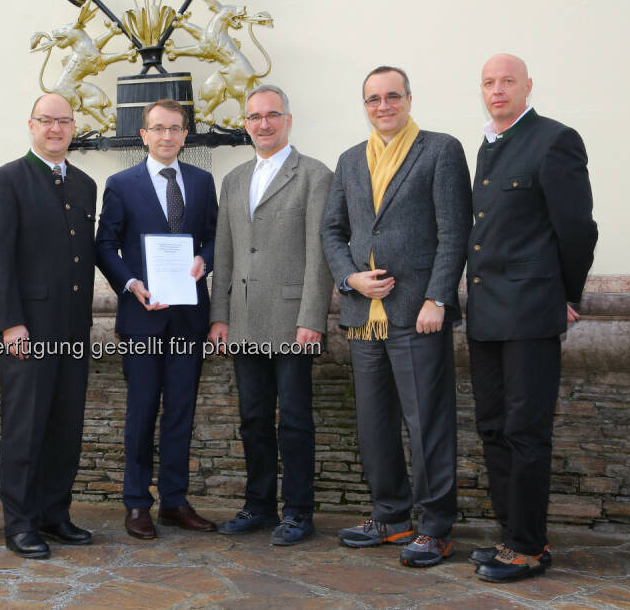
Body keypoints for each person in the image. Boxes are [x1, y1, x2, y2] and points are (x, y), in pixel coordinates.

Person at [320, 66, 472, 567]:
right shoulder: (348, 160)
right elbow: (333, 232)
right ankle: (389, 515)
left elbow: (453, 231)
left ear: (409, 98)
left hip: (417, 312)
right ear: (364, 105)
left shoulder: (440, 149)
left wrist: (438, 298)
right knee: (375, 423)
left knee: (427, 423)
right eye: (373, 99)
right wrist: (349, 280)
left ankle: (434, 526)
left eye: (392, 96)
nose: (383, 106)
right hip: (365, 314)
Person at [467, 54, 597, 583]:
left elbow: (578, 229)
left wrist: (567, 294)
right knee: (494, 428)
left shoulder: (554, 139)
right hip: (487, 312)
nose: (498, 90)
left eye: (508, 82)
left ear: (527, 86)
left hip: (530, 312)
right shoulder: (489, 145)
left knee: (525, 430)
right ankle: (512, 535)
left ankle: (527, 547)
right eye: (489, 83)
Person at [208, 85, 333, 546]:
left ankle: (298, 511)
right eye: (255, 117)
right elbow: (225, 249)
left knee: (295, 420)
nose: (264, 124)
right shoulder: (234, 179)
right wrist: (219, 314)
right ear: (246, 123)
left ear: (288, 120)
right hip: (242, 319)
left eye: (272, 115)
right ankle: (258, 505)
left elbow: (318, 255)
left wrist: (312, 317)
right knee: (253, 418)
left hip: (292, 319)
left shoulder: (315, 176)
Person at [0, 93, 97, 559]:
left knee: (65, 426)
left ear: (73, 128)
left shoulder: (86, 184)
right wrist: (10, 324)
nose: (55, 129)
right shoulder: (6, 180)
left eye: (64, 121)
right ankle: (21, 523)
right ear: (31, 125)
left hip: (73, 331)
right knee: (25, 429)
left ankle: (55, 514)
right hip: (27, 331)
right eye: (46, 121)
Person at [96, 99, 218, 539]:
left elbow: (213, 236)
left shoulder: (203, 182)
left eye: (175, 128)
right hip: (142, 317)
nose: (167, 136)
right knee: (142, 412)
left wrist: (206, 258)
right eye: (158, 128)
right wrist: (131, 284)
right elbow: (104, 245)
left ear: (186, 135)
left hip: (189, 317)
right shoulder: (121, 184)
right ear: (143, 135)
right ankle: (136, 503)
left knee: (181, 413)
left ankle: (175, 501)